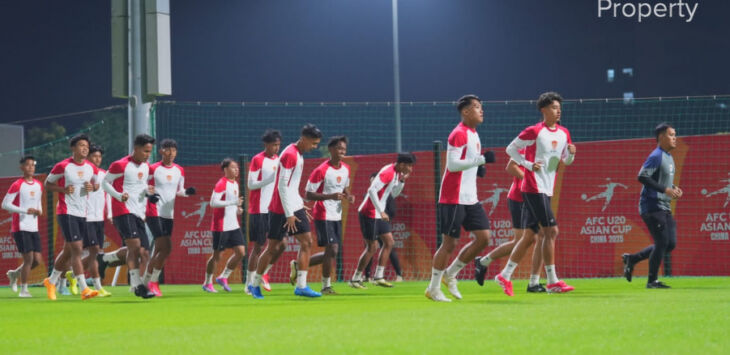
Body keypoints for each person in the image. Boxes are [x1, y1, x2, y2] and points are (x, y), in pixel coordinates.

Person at [502, 91, 576, 295]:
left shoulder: (564, 133)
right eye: (554, 107)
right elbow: (510, 149)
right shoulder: (534, 131)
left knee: (531, 236)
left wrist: (571, 154)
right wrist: (527, 164)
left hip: (547, 187)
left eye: (559, 107)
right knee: (551, 231)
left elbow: (565, 161)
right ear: (543, 110)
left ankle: (505, 275)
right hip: (533, 187)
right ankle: (552, 280)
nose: (558, 110)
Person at [425, 95, 492, 302]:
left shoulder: (474, 134)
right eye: (477, 107)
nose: (481, 111)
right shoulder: (458, 133)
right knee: (449, 244)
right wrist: (480, 160)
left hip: (470, 197)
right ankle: (433, 288)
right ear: (465, 112)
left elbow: (466, 163)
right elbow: (453, 165)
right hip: (453, 197)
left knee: (484, 238)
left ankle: (451, 273)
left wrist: (478, 167)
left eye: (481, 107)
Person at [248, 123, 323, 299]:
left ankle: (301, 286)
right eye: (313, 143)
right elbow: (281, 186)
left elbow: (291, 186)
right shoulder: (290, 155)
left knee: (306, 242)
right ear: (304, 139)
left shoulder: (297, 153)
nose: (315, 147)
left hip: (291, 204)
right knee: (272, 247)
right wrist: (290, 213)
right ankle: (254, 284)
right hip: (280, 208)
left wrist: (298, 204)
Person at [474, 155, 546, 293]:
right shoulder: (524, 146)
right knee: (526, 239)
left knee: (539, 237)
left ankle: (484, 262)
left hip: (533, 197)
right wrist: (530, 180)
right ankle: (532, 282)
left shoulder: (544, 148)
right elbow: (510, 167)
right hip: (520, 199)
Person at [622, 123, 681, 289]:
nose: (674, 137)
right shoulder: (656, 155)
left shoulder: (669, 156)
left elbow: (661, 181)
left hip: (664, 205)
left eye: (675, 134)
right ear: (661, 137)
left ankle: (632, 259)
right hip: (652, 205)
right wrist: (666, 189)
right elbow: (642, 176)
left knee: (669, 244)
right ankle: (652, 281)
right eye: (671, 134)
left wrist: (674, 189)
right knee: (662, 243)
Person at [42, 134, 100, 301]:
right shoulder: (63, 166)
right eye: (81, 145)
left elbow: (96, 185)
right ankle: (84, 289)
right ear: (73, 148)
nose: (84, 149)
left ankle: (51, 281)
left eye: (87, 147)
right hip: (66, 212)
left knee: (68, 251)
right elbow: (47, 184)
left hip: (83, 212)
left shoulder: (91, 167)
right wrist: (63, 190)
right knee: (77, 249)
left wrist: (93, 187)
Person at [101, 134, 157, 299]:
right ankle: (137, 285)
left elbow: (141, 186)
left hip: (139, 213)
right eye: (146, 151)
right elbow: (105, 183)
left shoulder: (146, 167)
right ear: (137, 148)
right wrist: (118, 196)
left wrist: (148, 193)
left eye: (150, 152)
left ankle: (105, 259)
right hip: (122, 211)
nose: (148, 154)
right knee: (134, 247)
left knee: (144, 253)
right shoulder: (120, 165)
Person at [350, 153, 415, 289]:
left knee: (389, 242)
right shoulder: (388, 172)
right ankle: (355, 279)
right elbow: (371, 190)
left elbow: (394, 194)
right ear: (402, 164)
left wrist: (402, 181)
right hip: (369, 212)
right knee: (372, 247)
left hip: (378, 214)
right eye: (409, 166)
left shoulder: (397, 174)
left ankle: (379, 276)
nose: (410, 169)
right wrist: (381, 211)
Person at [302, 136, 354, 295]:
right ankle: (326, 286)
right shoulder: (321, 170)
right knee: (331, 248)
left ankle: (298, 265)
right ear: (331, 150)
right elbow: (308, 194)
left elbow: (344, 188)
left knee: (332, 252)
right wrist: (330, 197)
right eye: (339, 148)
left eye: (344, 149)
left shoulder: (346, 168)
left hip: (337, 215)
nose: (342, 152)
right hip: (322, 213)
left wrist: (349, 196)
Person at [143, 139, 195, 296]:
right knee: (164, 247)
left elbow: (179, 191)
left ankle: (145, 282)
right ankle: (153, 282)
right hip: (154, 211)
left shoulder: (179, 170)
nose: (171, 153)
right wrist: (149, 195)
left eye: (173, 150)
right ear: (161, 151)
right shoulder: (152, 169)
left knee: (162, 250)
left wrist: (187, 192)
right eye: (167, 150)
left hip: (168, 214)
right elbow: (143, 187)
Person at [244, 129, 284, 294]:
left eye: (278, 145)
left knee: (282, 244)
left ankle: (265, 271)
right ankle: (249, 284)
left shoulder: (280, 160)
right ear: (266, 144)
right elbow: (251, 184)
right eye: (274, 145)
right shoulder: (257, 159)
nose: (276, 148)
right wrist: (270, 179)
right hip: (259, 209)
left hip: (274, 210)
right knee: (259, 247)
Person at [202, 158, 246, 293]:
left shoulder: (235, 184)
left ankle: (223, 277)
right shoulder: (221, 183)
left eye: (237, 167)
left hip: (234, 225)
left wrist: (237, 210)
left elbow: (232, 204)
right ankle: (207, 282)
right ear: (226, 169)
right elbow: (213, 203)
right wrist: (233, 203)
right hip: (221, 226)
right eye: (233, 167)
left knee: (241, 252)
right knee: (217, 256)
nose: (236, 169)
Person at [3, 156, 43, 298]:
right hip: (20, 226)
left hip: (34, 227)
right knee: (28, 259)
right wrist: (24, 211)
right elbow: (5, 204)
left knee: (37, 260)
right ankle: (24, 290)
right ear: (22, 167)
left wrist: (39, 211)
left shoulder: (39, 184)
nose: (31, 167)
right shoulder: (17, 184)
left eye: (33, 165)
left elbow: (39, 205)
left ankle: (14, 274)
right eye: (28, 165)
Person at [82, 144, 113, 297]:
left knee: (96, 252)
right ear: (88, 157)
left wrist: (110, 214)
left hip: (99, 218)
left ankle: (69, 275)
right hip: (85, 218)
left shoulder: (104, 174)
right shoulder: (83, 173)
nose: (97, 159)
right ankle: (97, 286)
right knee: (92, 251)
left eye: (100, 156)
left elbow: (108, 194)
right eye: (94, 156)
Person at [363, 174, 404, 283]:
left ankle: (399, 275)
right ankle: (366, 276)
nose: (373, 184)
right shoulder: (368, 195)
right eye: (371, 182)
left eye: (374, 181)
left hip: (382, 224)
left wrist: (384, 217)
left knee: (389, 246)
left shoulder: (387, 195)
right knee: (370, 248)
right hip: (371, 223)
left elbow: (392, 211)